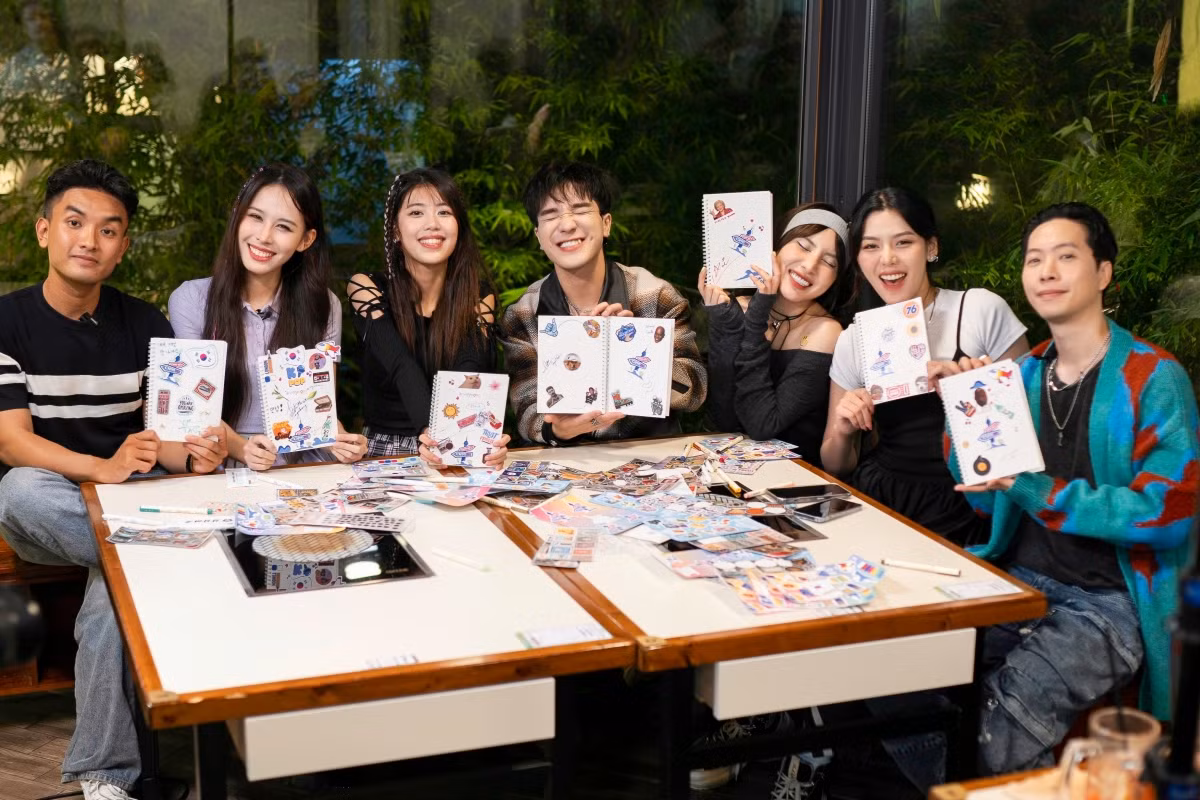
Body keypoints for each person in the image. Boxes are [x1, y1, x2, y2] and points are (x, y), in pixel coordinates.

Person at [941, 203, 1199, 774]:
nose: (1047, 272)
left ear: (1103, 272)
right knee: (902, 678)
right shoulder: (1023, 375)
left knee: (993, 730)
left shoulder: (1153, 377)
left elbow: (1167, 513)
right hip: (1020, 580)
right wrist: (965, 412)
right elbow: (985, 499)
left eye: (1065, 256)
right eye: (1035, 260)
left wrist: (1038, 491)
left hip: (1111, 601)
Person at [0, 160, 227, 800]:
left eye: (108, 229)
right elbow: (12, 443)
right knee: (17, 489)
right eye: (74, 223)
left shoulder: (146, 324)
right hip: (52, 511)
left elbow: (168, 439)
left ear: (122, 246)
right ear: (44, 230)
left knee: (116, 588)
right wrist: (101, 469)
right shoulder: (6, 321)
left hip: (130, 507)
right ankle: (167, 554)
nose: (89, 241)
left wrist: (196, 455)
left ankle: (102, 777)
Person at [820, 187, 1028, 545]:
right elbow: (836, 464)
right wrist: (842, 427)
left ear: (930, 247)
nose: (887, 259)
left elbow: (1030, 439)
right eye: (871, 246)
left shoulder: (979, 310)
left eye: (903, 242)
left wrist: (976, 395)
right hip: (882, 499)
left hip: (968, 503)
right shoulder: (856, 338)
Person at [169, 163, 367, 469]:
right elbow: (194, 410)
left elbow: (319, 406)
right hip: (221, 464)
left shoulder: (325, 305)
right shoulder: (191, 300)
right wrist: (242, 448)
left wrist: (340, 440)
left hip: (301, 466)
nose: (263, 236)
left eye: (283, 227)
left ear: (305, 240)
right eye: (255, 217)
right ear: (237, 216)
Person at [502, 161, 707, 445]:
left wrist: (633, 348)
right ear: (539, 236)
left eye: (580, 210)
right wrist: (560, 430)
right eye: (550, 215)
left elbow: (694, 390)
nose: (567, 224)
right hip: (566, 458)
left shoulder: (655, 295)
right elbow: (527, 411)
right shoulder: (524, 314)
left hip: (648, 455)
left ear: (606, 223)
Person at [346, 167, 509, 466]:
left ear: (458, 226)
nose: (432, 224)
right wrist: (431, 433)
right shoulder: (367, 288)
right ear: (396, 230)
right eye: (416, 213)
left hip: (459, 443)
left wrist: (478, 440)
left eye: (444, 212)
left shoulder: (478, 296)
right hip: (387, 450)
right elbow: (400, 365)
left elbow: (468, 372)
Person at [702, 203, 849, 467]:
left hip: (796, 476)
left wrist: (756, 318)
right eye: (803, 246)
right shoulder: (737, 308)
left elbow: (762, 425)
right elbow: (723, 418)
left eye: (829, 262)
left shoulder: (825, 331)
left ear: (836, 278)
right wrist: (726, 325)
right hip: (732, 471)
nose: (810, 265)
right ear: (776, 246)